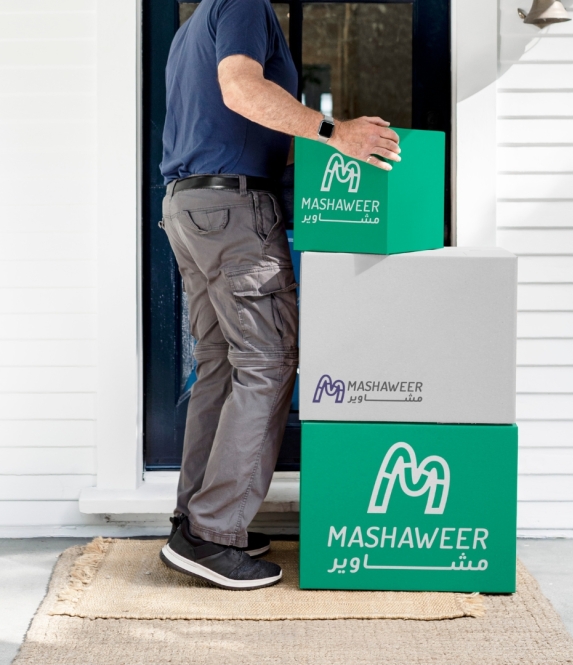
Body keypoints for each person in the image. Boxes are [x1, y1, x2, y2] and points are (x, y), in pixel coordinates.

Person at [158, 0, 401, 590]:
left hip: (190, 205)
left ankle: (194, 523)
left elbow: (231, 119)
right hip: (233, 212)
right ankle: (215, 535)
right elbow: (242, 91)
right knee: (266, 362)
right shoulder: (241, 5)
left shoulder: (194, 26)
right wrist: (332, 131)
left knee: (220, 365)